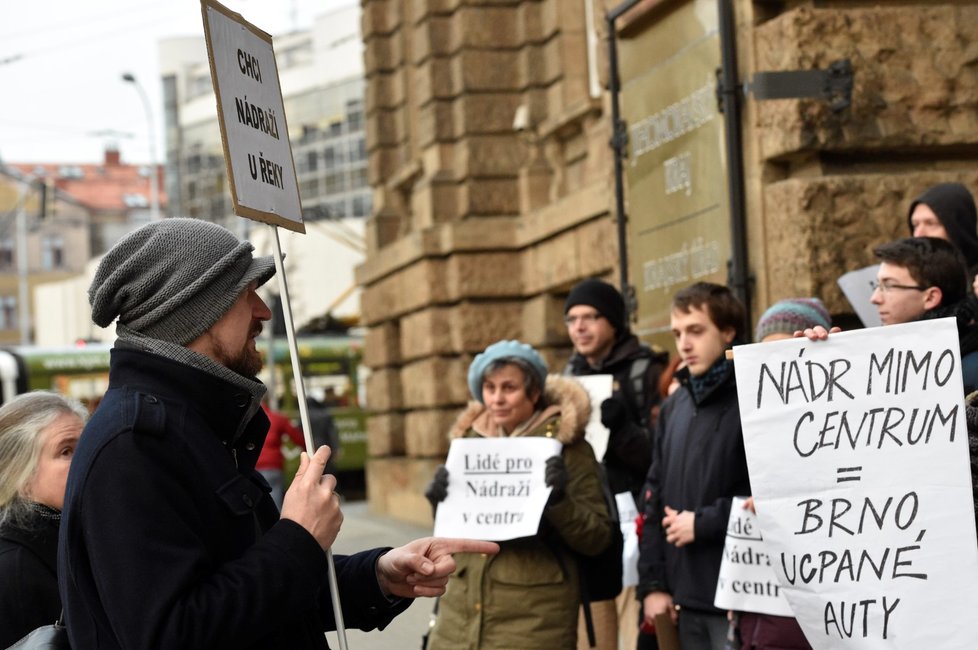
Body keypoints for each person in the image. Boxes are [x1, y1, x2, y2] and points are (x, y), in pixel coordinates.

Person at [59, 218, 498, 649]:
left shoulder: (190, 427)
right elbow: (172, 633)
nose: (263, 311)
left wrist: (379, 575)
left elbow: (264, 599)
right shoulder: (135, 443)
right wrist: (299, 538)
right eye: (245, 293)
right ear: (195, 311)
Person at [424, 339, 614, 649]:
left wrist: (558, 502)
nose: (497, 398)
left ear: (534, 393)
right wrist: (439, 502)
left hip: (534, 621)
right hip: (458, 619)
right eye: (490, 388)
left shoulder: (568, 449)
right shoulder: (468, 443)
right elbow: (456, 532)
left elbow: (596, 538)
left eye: (508, 388)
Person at [637, 282, 751, 650]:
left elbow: (769, 493)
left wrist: (703, 523)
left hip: (740, 597)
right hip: (683, 599)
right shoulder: (674, 406)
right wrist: (653, 586)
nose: (684, 344)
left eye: (696, 331)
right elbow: (653, 498)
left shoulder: (753, 396)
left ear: (728, 331)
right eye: (677, 333)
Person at [562, 278, 669, 650]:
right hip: (590, 522)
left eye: (590, 317)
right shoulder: (566, 378)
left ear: (614, 322)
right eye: (572, 319)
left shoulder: (647, 373)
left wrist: (622, 429)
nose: (579, 327)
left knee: (633, 624)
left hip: (637, 517)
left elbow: (661, 458)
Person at [726, 299, 828, 650]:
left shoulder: (833, 416)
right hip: (759, 610)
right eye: (768, 354)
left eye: (789, 350)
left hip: (810, 612)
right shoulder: (752, 418)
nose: (779, 365)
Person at [0, 392, 87, 648]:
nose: (86, 459)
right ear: (21, 477)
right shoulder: (14, 571)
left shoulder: (79, 533)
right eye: (66, 451)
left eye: (87, 445)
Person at [871, 236, 978, 392]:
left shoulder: (970, 369)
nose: (874, 298)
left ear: (930, 297)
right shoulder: (881, 353)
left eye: (889, 286)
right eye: (877, 285)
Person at [907, 182, 978, 288]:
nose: (918, 234)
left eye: (930, 223)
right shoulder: (914, 278)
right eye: (915, 225)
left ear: (957, 228)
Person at [258, 397, 306, 509]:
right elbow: (297, 438)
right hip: (273, 466)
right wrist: (308, 450)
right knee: (275, 502)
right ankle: (276, 525)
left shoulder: (246, 420)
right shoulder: (277, 419)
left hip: (252, 467)